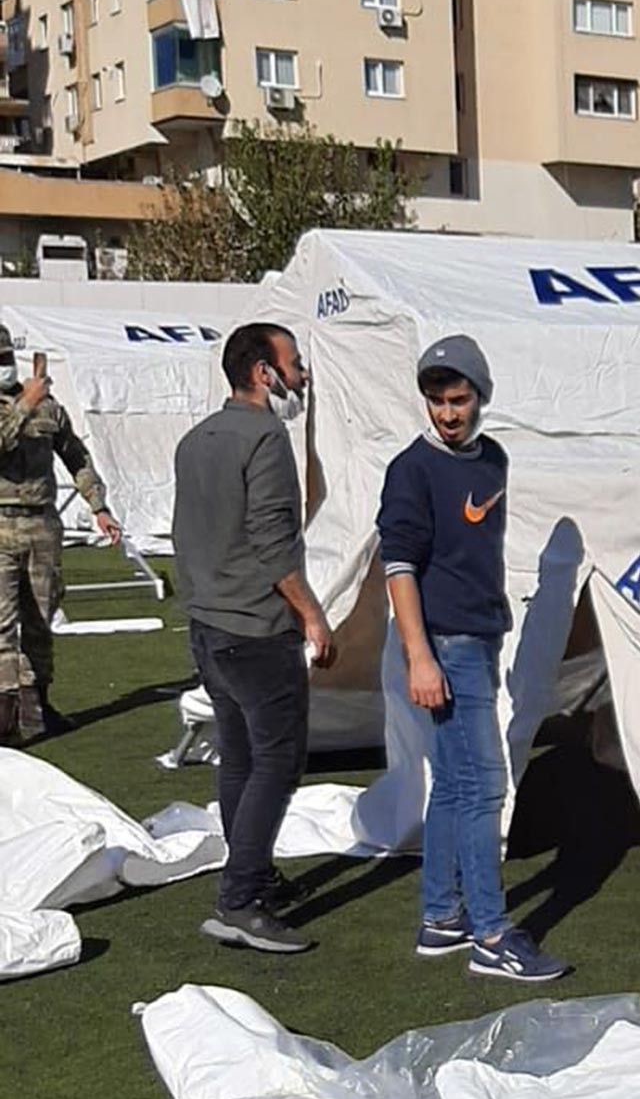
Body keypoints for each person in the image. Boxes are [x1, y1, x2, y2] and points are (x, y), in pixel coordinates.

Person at [378, 335, 568, 982]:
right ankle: (490, 934)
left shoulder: (492, 461)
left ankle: (441, 917)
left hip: (478, 641)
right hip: (442, 647)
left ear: (480, 396)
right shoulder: (413, 470)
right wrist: (418, 657)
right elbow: (398, 566)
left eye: (458, 400)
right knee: (485, 785)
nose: (447, 413)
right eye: (437, 401)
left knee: (457, 786)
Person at [173, 322, 335, 954]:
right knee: (277, 761)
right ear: (264, 373)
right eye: (293, 364)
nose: (302, 376)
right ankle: (240, 898)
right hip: (255, 629)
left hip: (209, 627)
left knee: (239, 757)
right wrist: (313, 617)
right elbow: (272, 547)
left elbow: (191, 532)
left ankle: (252, 876)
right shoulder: (265, 437)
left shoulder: (196, 440)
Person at [0, 325, 122, 746]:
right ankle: (4, 714)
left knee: (41, 617)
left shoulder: (47, 407)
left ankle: (37, 706)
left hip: (42, 524)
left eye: (4, 359)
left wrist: (98, 505)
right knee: (1, 623)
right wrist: (22, 406)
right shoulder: (22, 404)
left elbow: (75, 455)